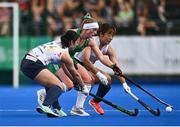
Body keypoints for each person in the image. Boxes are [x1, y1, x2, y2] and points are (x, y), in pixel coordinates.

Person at [36, 13, 122, 116]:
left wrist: (113, 66)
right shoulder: (72, 33)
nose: (96, 33)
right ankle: (46, 95)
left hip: (69, 59)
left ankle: (77, 108)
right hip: (57, 59)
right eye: (94, 30)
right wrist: (89, 78)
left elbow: (102, 57)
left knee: (87, 80)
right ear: (86, 29)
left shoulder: (90, 41)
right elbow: (61, 51)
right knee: (69, 84)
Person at [21, 30, 89, 117]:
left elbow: (64, 68)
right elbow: (75, 73)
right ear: (71, 42)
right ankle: (45, 106)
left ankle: (57, 109)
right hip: (34, 64)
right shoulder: (65, 54)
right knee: (59, 86)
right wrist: (83, 87)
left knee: (52, 84)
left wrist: (75, 82)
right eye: (76, 43)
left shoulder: (56, 44)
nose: (77, 45)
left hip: (26, 62)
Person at [74, 23, 131, 115]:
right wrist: (98, 74)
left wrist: (124, 83)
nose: (111, 37)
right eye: (109, 34)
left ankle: (95, 101)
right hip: (76, 64)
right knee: (90, 79)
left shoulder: (109, 49)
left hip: (88, 67)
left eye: (112, 35)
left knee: (108, 80)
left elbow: (115, 67)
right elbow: (85, 60)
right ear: (101, 34)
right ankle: (78, 108)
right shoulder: (91, 41)